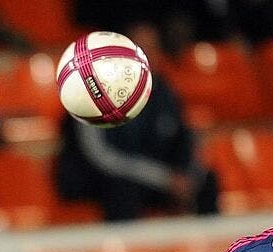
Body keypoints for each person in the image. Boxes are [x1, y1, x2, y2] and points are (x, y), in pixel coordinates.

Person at [53, 21, 218, 222]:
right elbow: (101, 156)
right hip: (100, 177)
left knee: (205, 181)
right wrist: (165, 178)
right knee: (121, 190)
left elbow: (184, 140)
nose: (146, 58)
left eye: (152, 50)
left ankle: (213, 249)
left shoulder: (165, 92)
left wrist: (187, 175)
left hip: (153, 177)